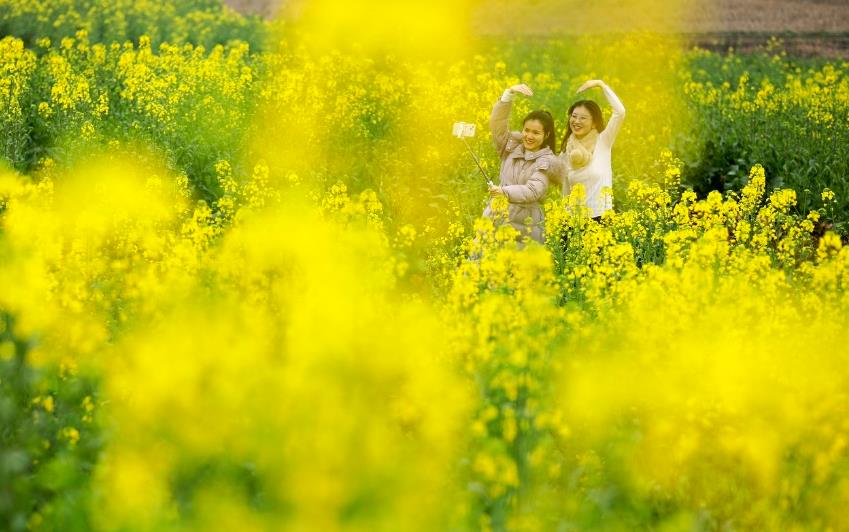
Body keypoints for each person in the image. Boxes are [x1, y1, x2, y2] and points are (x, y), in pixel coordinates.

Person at [484, 83, 564, 244]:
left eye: (536, 132)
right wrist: (509, 95)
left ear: (546, 135)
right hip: (495, 220)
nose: (529, 136)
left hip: (524, 228)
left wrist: (503, 192)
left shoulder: (546, 161)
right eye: (526, 130)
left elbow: (532, 191)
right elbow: (497, 124)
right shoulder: (511, 146)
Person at [559, 80, 625, 220]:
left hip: (601, 217)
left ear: (594, 122)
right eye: (574, 116)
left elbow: (620, 112)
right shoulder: (566, 150)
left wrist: (601, 85)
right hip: (575, 220)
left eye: (583, 118)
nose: (576, 121)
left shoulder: (604, 141)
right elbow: (565, 189)